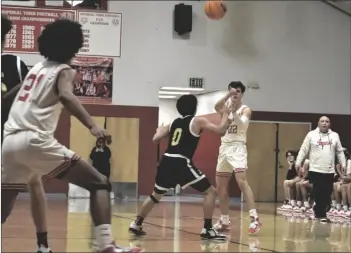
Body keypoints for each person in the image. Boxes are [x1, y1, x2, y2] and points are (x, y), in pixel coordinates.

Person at [1, 19, 142, 253]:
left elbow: (7, 99)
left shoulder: (35, 69)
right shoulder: (63, 70)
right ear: (74, 47)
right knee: (99, 183)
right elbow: (66, 96)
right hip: (34, 140)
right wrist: (93, 126)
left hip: (9, 143)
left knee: (4, 204)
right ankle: (106, 244)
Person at [128, 94, 229, 240]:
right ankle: (207, 229)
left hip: (166, 161)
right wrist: (225, 113)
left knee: (155, 195)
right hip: (181, 162)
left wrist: (158, 130)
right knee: (210, 192)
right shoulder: (197, 120)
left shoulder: (173, 123)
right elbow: (221, 130)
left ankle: (136, 223)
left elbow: (155, 139)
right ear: (194, 107)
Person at [1, 14, 52, 253]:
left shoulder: (14, 63)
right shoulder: (15, 63)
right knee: (33, 182)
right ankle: (42, 244)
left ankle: (43, 244)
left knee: (32, 181)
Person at [212, 81, 261, 233]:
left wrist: (232, 112)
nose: (235, 94)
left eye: (238, 91)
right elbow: (216, 107)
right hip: (224, 148)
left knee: (242, 182)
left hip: (238, 147)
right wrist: (228, 97)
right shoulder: (226, 106)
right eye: (233, 92)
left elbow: (242, 125)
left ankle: (254, 219)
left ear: (242, 93)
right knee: (220, 187)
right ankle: (225, 220)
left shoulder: (246, 109)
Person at [295, 116, 346, 223]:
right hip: (315, 169)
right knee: (319, 191)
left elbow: (340, 151)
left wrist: (343, 163)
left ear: (329, 124)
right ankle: (321, 214)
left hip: (329, 170)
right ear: (318, 123)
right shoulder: (311, 135)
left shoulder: (334, 136)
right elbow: (304, 149)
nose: (324, 123)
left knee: (327, 192)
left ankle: (318, 207)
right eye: (322, 121)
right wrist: (298, 162)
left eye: (327, 122)